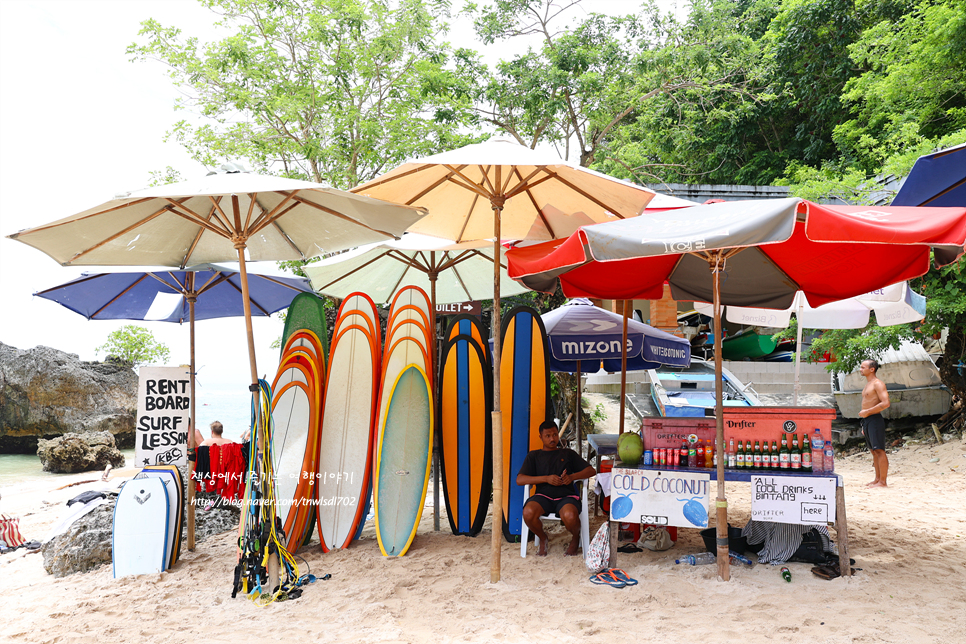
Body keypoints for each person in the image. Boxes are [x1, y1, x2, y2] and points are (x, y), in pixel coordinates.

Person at [516, 420, 596, 556]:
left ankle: (575, 538)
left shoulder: (567, 454)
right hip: (542, 497)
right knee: (528, 513)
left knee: (570, 515)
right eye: (547, 436)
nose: (552, 439)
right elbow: (520, 479)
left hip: (566, 497)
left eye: (554, 435)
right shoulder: (534, 456)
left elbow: (591, 471)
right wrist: (545, 478)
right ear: (540, 437)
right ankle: (543, 537)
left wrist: (571, 477)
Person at [858, 358, 890, 487]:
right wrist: (865, 420)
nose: (860, 369)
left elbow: (885, 403)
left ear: (872, 369)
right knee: (873, 451)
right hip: (867, 420)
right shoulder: (868, 384)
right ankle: (877, 479)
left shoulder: (878, 383)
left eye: (863, 367)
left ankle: (883, 481)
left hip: (875, 418)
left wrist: (868, 412)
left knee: (880, 450)